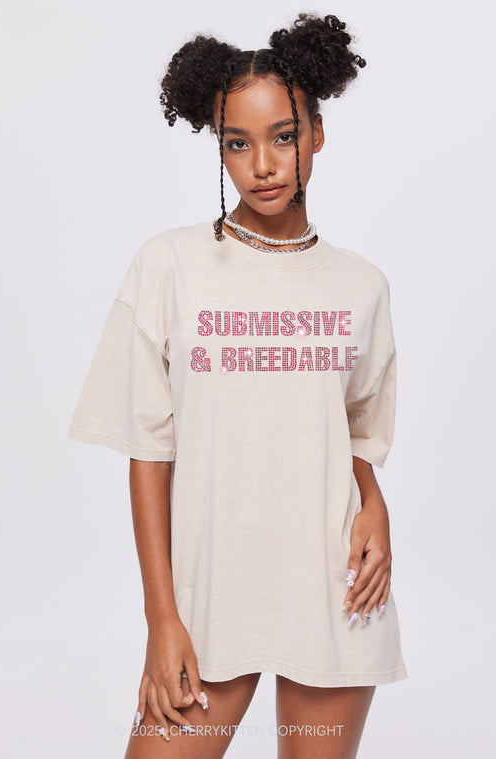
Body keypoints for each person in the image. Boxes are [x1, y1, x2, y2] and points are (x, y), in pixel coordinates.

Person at [67, 12, 407, 759]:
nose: (263, 164)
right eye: (237, 142)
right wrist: (162, 619)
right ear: (217, 146)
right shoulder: (169, 265)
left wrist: (375, 506)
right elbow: (149, 452)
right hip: (209, 596)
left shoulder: (361, 286)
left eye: (284, 135)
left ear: (317, 133)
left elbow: (351, 436)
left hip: (337, 589)